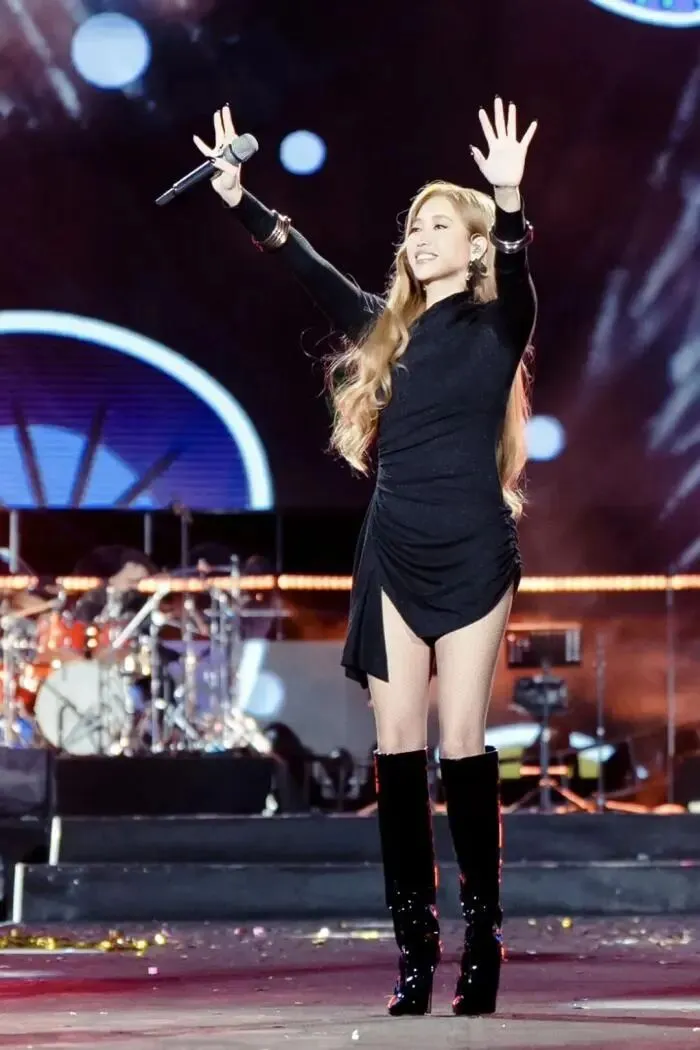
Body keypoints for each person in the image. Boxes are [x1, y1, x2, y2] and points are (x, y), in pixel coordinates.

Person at [193, 97, 537, 1018]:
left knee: (461, 744)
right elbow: (308, 270)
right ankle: (416, 951)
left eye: (439, 226)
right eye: (414, 227)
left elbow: (519, 268)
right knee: (397, 750)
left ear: (474, 248)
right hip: (392, 549)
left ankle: (483, 941)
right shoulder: (390, 330)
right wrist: (239, 199)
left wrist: (507, 199)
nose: (420, 238)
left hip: (472, 550)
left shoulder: (499, 324)